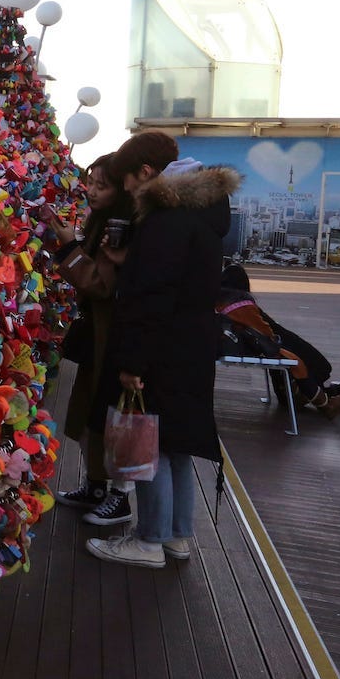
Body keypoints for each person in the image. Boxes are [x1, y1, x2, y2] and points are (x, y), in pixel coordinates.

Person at [86, 131, 241, 568]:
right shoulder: (202, 212)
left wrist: (133, 361)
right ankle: (177, 536)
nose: (129, 192)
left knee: (147, 443)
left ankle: (149, 539)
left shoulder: (164, 217)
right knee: (176, 443)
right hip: (191, 346)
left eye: (130, 182)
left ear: (147, 174)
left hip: (160, 349)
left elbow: (151, 294)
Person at [45, 155, 136, 527]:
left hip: (113, 337)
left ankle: (120, 495)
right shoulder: (100, 221)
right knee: (89, 412)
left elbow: (101, 285)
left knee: (113, 415)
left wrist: (69, 249)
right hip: (96, 335)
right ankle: (96, 485)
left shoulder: (123, 228)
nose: (92, 191)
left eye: (103, 185)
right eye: (91, 182)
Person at [216, 263, 340, 414]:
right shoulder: (240, 303)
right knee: (309, 363)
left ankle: (329, 397)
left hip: (256, 348)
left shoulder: (220, 303)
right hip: (273, 350)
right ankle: (328, 402)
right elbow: (267, 332)